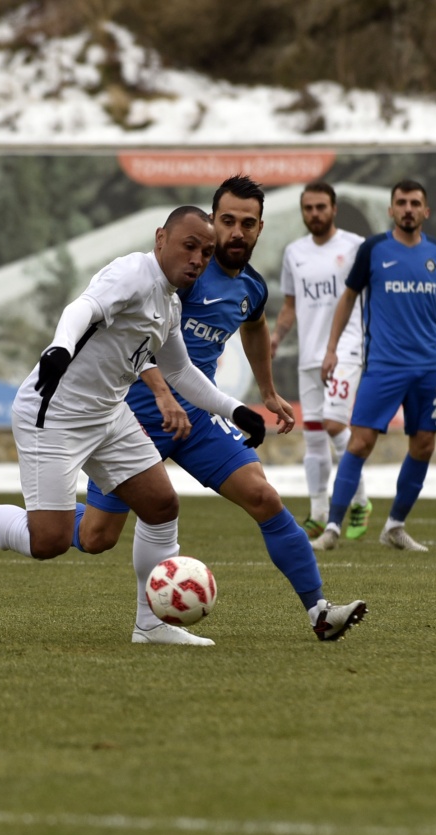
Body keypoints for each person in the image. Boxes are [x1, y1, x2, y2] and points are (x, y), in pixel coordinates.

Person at [0, 205, 269, 647]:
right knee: (49, 542)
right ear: (161, 239)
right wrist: (61, 348)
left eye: (206, 252)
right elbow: (82, 308)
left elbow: (180, 373)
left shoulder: (170, 303)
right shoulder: (133, 274)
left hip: (109, 414)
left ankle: (150, 624)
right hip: (54, 413)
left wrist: (235, 410)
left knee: (161, 506)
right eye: (189, 246)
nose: (197, 258)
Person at [71, 176, 367, 642]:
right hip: (132, 417)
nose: (236, 232)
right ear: (212, 221)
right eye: (227, 220)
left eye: (247, 223)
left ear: (260, 228)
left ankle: (320, 611)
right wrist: (163, 395)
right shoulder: (183, 275)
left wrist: (267, 392)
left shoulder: (251, 287)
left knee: (263, 496)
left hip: (199, 418)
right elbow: (138, 341)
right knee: (96, 537)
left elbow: (253, 327)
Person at [311, 179, 436, 553]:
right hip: (383, 367)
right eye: (401, 202)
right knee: (360, 442)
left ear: (425, 211)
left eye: (414, 202)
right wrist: (332, 348)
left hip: (427, 368)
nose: (407, 208)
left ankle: (394, 526)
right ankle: (333, 529)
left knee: (423, 445)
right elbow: (348, 299)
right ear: (391, 210)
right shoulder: (374, 250)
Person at [270, 182, 372, 539]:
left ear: (334, 209)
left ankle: (359, 500)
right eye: (308, 208)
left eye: (321, 207)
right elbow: (290, 306)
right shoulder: (294, 252)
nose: (314, 214)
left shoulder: (355, 246)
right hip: (309, 354)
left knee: (333, 424)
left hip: (346, 347)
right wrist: (277, 337)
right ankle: (317, 511)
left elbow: (372, 295)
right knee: (313, 435)